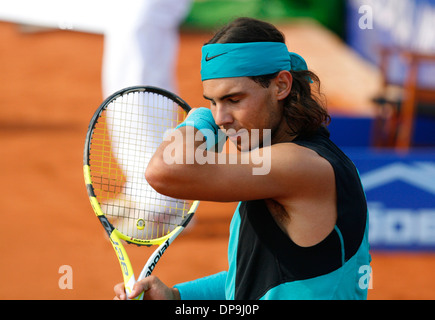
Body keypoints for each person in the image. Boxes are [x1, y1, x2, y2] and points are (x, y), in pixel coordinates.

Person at [114, 17, 371, 300]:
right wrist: (177, 297)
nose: (221, 118)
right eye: (212, 103)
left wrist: (199, 119)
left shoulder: (300, 166)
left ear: (281, 86)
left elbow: (164, 171)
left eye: (233, 100)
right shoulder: (281, 159)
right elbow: (251, 278)